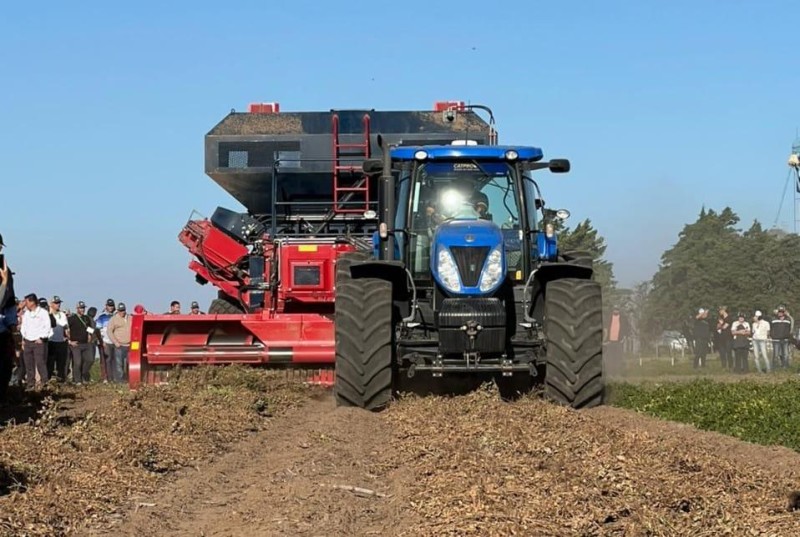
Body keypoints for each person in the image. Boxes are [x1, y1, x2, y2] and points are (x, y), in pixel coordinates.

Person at [20, 293, 53, 389]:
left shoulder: (43, 313)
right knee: (28, 363)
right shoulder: (26, 313)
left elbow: (47, 326)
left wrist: (42, 338)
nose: (25, 304)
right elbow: (23, 326)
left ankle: (44, 382)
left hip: (38, 342)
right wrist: (24, 338)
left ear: (32, 302)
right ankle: (30, 383)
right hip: (28, 341)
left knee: (40, 362)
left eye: (26, 302)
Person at [0, 257, 16, 401]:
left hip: (3, 328)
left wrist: (11, 323)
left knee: (5, 366)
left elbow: (9, 301)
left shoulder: (6, 269)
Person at [67, 301, 95, 384]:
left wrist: (90, 335)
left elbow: (90, 328)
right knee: (77, 362)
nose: (82, 310)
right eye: (81, 308)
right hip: (76, 344)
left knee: (90, 360)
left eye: (83, 308)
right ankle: (77, 380)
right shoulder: (72, 318)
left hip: (86, 343)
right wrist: (69, 341)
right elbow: (66, 330)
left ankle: (83, 373)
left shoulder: (86, 318)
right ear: (77, 308)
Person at [48, 296, 70, 381]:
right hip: (50, 341)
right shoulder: (47, 314)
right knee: (50, 363)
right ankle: (48, 379)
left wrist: (68, 336)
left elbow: (65, 327)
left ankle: (60, 380)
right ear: (51, 304)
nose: (58, 304)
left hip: (60, 341)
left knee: (61, 363)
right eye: (56, 303)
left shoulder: (62, 314)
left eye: (59, 303)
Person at [108, 302, 131, 383]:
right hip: (119, 345)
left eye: (123, 310)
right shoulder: (113, 319)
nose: (122, 312)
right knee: (119, 364)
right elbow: (109, 331)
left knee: (130, 363)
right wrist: (115, 342)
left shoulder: (130, 318)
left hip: (130, 345)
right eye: (120, 310)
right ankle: (120, 380)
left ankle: (129, 379)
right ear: (117, 310)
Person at [95, 299, 117, 382]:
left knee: (115, 360)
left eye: (112, 306)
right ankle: (107, 378)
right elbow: (97, 329)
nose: (110, 307)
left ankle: (114, 377)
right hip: (105, 341)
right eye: (109, 306)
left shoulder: (116, 316)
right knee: (107, 360)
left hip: (115, 341)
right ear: (106, 306)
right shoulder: (102, 316)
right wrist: (102, 341)